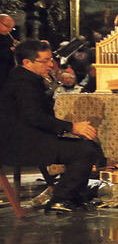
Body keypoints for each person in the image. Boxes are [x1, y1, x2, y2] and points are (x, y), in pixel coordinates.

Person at [0, 40, 102, 212]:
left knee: (89, 147)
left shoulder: (27, 79)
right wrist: (72, 127)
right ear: (27, 62)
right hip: (22, 145)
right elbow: (35, 117)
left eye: (50, 59)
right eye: (45, 61)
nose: (50, 64)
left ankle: (74, 197)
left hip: (32, 139)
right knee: (85, 151)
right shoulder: (22, 84)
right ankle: (61, 199)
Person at [0, 13, 15, 87]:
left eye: (11, 28)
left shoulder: (8, 38)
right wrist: (9, 51)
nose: (9, 30)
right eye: (7, 26)